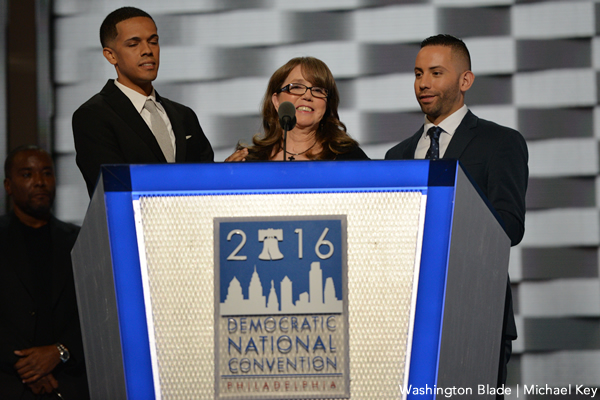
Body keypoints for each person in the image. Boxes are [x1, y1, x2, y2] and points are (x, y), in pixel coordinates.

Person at [385, 35, 528, 391]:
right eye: (418, 73)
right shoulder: (396, 155)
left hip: (476, 316)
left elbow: (508, 225)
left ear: (465, 81)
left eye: (436, 72)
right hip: (410, 321)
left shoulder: (501, 142)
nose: (423, 83)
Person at [72, 6, 214, 196]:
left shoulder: (183, 115)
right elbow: (114, 187)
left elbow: (206, 179)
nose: (147, 50)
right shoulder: (93, 116)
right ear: (110, 55)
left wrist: (224, 173)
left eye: (153, 41)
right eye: (133, 44)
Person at [0, 145, 89, 399]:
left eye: (46, 173)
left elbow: (96, 311)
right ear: (8, 185)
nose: (39, 182)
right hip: (8, 383)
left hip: (68, 384)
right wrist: (28, 367)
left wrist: (61, 351)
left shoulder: (79, 241)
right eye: (27, 174)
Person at [226, 57, 368, 161]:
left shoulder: (350, 158)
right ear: (276, 101)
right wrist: (222, 180)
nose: (307, 96)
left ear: (327, 104)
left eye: (318, 90)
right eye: (297, 87)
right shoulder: (249, 161)